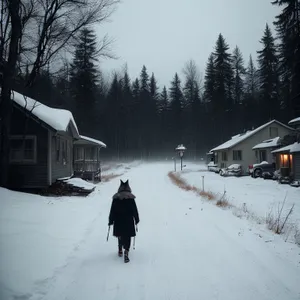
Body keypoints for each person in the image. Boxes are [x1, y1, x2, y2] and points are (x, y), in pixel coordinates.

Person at [108, 179, 139, 263]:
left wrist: (110, 220)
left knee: (120, 235)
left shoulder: (116, 197)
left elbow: (112, 210)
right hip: (128, 220)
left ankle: (120, 249)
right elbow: (134, 210)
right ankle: (126, 251)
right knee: (128, 236)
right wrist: (136, 219)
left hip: (118, 220)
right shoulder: (131, 198)